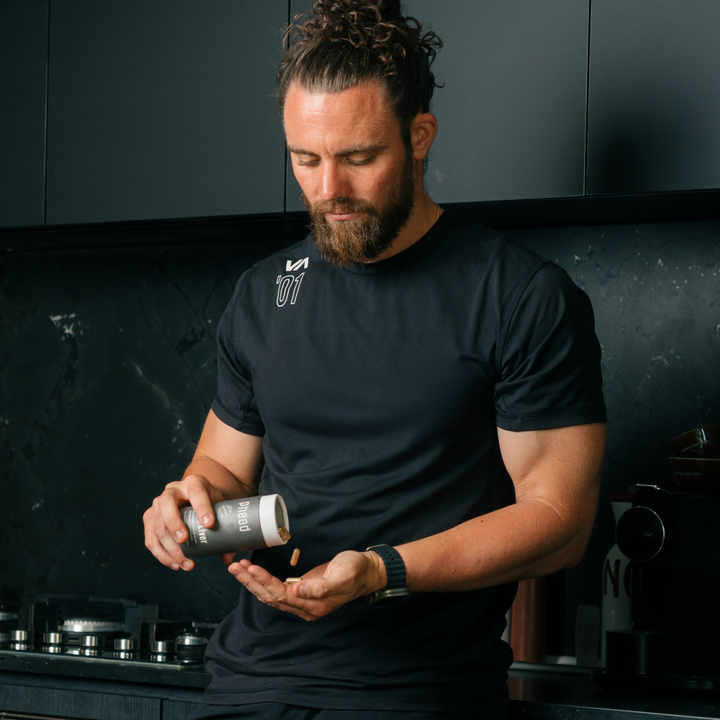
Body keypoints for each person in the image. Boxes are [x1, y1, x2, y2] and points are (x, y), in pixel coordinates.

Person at [143, 1, 607, 718]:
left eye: (358, 158)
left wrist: (383, 570)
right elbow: (224, 469)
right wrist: (184, 499)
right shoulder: (263, 295)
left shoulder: (520, 296)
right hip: (247, 686)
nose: (329, 190)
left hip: (415, 695)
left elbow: (558, 519)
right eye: (306, 160)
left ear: (419, 136)